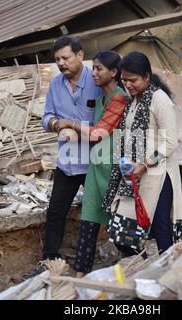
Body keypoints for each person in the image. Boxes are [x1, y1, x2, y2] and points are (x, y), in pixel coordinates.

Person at [102, 51, 182, 258]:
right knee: (122, 233)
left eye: (133, 80)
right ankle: (143, 266)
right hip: (134, 177)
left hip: (158, 176)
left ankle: (169, 275)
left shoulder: (159, 100)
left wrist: (146, 165)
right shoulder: (134, 100)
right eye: (124, 80)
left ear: (146, 77)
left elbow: (171, 142)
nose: (128, 85)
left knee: (161, 228)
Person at [55, 51, 127, 277]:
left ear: (113, 72)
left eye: (99, 69)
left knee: (119, 223)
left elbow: (98, 134)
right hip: (97, 168)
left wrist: (70, 123)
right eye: (93, 68)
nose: (94, 73)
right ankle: (80, 275)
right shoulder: (101, 99)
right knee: (89, 217)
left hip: (114, 170)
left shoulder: (119, 97)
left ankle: (139, 262)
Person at [40, 36, 102, 262]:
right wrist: (57, 125)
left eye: (65, 58)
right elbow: (46, 116)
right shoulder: (56, 84)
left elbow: (106, 123)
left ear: (80, 56)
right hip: (67, 161)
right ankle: (50, 259)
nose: (61, 63)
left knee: (96, 211)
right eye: (57, 59)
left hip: (95, 161)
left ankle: (96, 258)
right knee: (56, 211)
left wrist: (75, 126)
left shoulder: (97, 81)